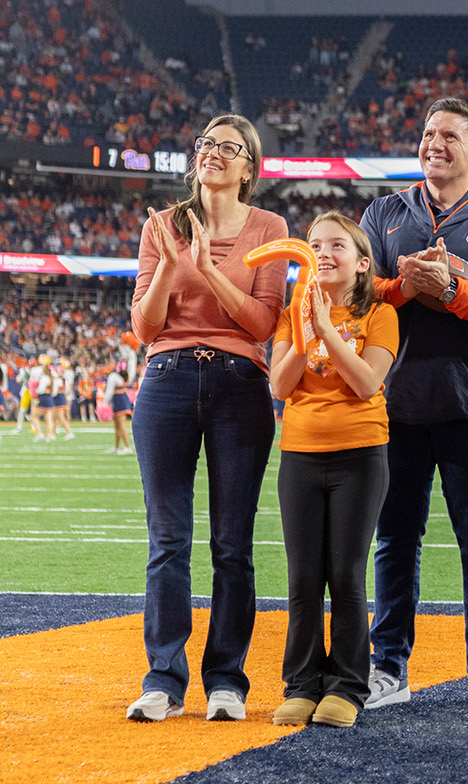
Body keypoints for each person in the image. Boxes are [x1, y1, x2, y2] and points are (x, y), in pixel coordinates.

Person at [358, 97, 468, 715]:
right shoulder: (382, 212)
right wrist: (406, 286)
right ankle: (388, 666)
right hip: (394, 402)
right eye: (429, 133)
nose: (435, 142)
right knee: (394, 539)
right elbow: (359, 295)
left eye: (450, 135)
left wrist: (455, 289)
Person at [126, 115, 290, 722]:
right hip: (165, 380)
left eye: (230, 147)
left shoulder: (270, 227)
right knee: (167, 541)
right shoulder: (160, 224)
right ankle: (163, 679)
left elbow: (263, 324)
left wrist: (210, 268)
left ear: (250, 167)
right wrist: (171, 265)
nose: (213, 154)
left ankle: (226, 680)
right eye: (206, 144)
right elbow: (144, 328)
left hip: (239, 383)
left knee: (232, 545)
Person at [267, 213, 400, 729]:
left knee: (345, 574)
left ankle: (346, 685)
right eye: (314, 245)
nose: (322, 253)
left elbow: (368, 382)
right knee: (303, 577)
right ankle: (301, 684)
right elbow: (280, 386)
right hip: (299, 454)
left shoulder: (381, 314)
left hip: (360, 454)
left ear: (362, 263)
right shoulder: (288, 315)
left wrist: (326, 327)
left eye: (336, 245)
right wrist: (305, 331)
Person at [105, 361, 134, 454]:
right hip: (121, 400)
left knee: (121, 426)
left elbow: (109, 391)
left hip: (119, 401)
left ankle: (127, 447)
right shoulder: (126, 377)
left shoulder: (114, 377)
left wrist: (105, 403)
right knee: (117, 426)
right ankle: (116, 447)